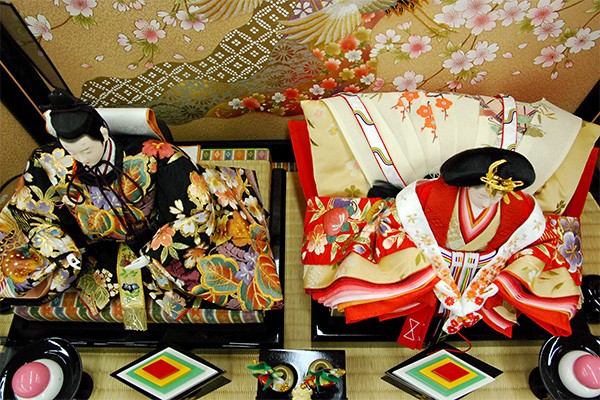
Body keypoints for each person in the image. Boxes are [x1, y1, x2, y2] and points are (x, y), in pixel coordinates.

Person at [0, 89, 282, 323]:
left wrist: (156, 250)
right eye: (71, 150)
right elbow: (30, 211)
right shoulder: (49, 160)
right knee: (23, 264)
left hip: (156, 232)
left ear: (103, 133)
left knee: (226, 269)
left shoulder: (152, 154)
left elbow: (193, 208)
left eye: (86, 149)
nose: (81, 158)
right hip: (95, 246)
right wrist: (64, 249)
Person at [301, 147, 582, 349]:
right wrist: (429, 276)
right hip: (425, 268)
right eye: (484, 193)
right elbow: (394, 221)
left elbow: (541, 241)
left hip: (487, 276)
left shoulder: (522, 207)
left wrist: (503, 281)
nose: (490, 201)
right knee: (384, 295)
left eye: (499, 196)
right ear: (467, 184)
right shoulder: (432, 194)